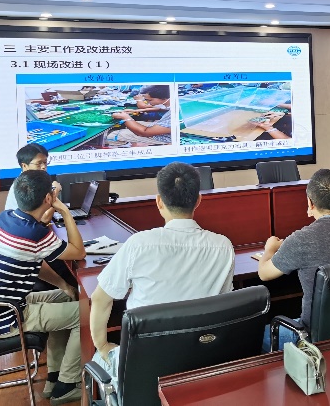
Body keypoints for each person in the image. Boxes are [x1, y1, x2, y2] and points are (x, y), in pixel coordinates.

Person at [89, 162, 235, 388]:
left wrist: (102, 346)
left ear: (159, 201)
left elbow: (100, 299)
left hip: (146, 368)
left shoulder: (139, 244)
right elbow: (223, 303)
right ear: (198, 200)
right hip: (203, 363)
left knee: (97, 360)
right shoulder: (223, 246)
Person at [0, 171, 86, 405]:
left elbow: (32, 260)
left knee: (69, 297)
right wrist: (65, 211)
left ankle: (55, 377)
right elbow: (79, 252)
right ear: (48, 198)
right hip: (0, 318)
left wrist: (63, 285)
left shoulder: (5, 218)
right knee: (89, 314)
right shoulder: (35, 234)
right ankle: (67, 386)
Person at [257, 168, 330, 351]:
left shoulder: (302, 239)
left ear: (310, 202)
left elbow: (264, 274)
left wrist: (270, 249)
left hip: (311, 335)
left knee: (255, 336)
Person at [108, 84, 172, 146]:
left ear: (164, 98)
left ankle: (127, 147)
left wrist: (126, 118)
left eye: (150, 100)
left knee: (112, 136)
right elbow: (162, 108)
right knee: (131, 124)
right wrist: (136, 111)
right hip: (161, 129)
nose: (148, 103)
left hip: (163, 138)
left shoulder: (173, 118)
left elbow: (145, 132)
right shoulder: (172, 103)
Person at [4, 143, 50, 211]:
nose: (43, 167)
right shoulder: (25, 185)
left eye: (45, 162)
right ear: (24, 166)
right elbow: (43, 216)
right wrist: (55, 193)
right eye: (39, 163)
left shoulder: (37, 180)